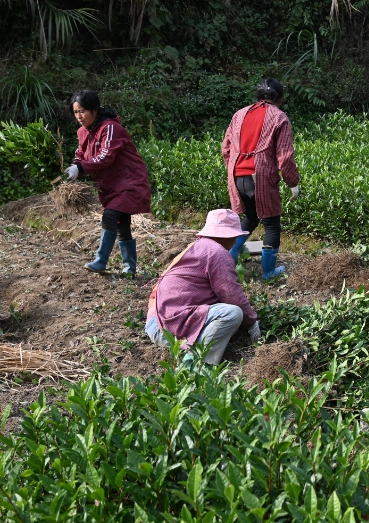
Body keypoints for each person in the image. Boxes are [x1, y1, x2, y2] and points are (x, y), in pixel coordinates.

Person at [144, 209, 261, 366]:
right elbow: (231, 294)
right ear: (226, 235)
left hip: (157, 322)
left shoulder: (196, 247)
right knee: (232, 313)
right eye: (234, 236)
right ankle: (195, 364)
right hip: (168, 329)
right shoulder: (217, 252)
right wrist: (252, 321)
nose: (234, 241)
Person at [65, 90, 151, 277]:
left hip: (130, 182)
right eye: (76, 112)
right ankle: (130, 269)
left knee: (110, 216)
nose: (79, 116)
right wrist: (73, 168)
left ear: (95, 110)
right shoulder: (82, 132)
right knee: (121, 223)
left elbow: (106, 157)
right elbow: (81, 155)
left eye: (83, 111)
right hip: (110, 186)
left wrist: (80, 168)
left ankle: (101, 261)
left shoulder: (110, 128)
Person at [222, 78, 300, 279]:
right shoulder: (279, 117)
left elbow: (226, 149)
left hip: (237, 174)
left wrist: (234, 171)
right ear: (280, 99)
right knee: (272, 223)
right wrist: (293, 183)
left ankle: (227, 261)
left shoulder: (239, 114)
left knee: (251, 216)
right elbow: (285, 157)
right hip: (260, 177)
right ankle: (268, 272)